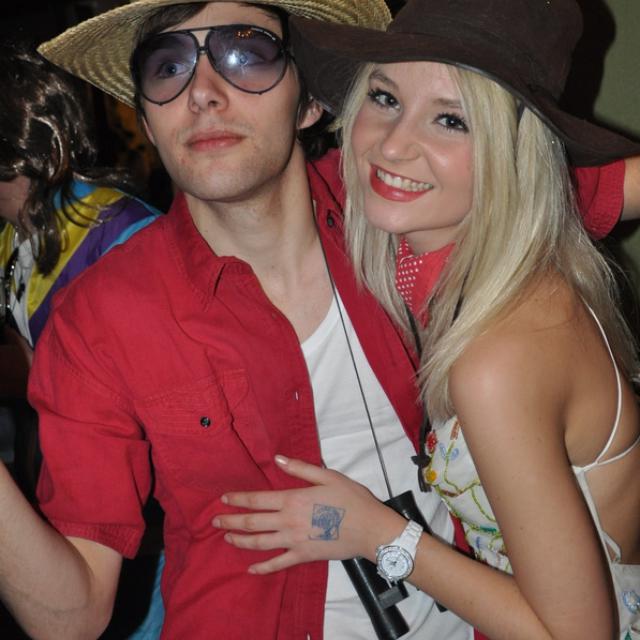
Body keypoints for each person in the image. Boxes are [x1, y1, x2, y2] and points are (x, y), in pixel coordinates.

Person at [0, 1, 633, 640]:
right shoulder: (100, 319)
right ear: (147, 117)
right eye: (168, 67)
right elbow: (70, 619)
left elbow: (538, 188)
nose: (203, 93)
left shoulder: (403, 203)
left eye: (246, 54)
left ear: (309, 102)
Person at [212, 1, 640, 639]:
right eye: (385, 98)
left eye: (451, 119)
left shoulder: (496, 360)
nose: (393, 144)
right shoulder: (447, 257)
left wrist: (375, 532)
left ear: (512, 155)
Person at [0, 42, 163, 637]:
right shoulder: (12, 238)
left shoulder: (124, 236)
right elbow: (34, 370)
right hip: (66, 503)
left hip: (145, 535)